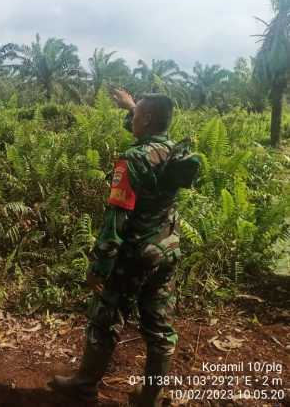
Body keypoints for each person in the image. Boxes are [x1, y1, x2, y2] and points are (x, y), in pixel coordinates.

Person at [50, 89, 199, 406]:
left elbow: (116, 221)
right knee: (159, 325)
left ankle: (84, 386)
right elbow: (147, 136)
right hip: (167, 250)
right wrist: (135, 106)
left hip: (134, 256)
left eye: (136, 115)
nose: (131, 119)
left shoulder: (131, 160)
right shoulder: (171, 150)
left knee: (105, 319)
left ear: (145, 120)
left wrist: (99, 266)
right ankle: (150, 397)